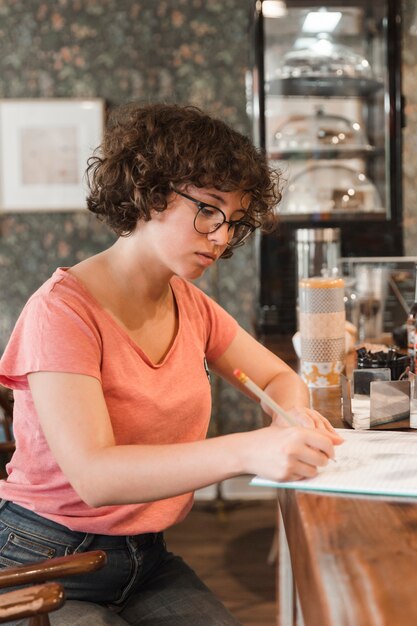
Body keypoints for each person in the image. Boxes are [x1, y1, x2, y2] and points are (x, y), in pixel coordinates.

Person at [0, 103, 343, 625]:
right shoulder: (62, 311)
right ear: (149, 192)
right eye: (208, 209)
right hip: (44, 560)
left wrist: (289, 416)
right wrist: (250, 450)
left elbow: (280, 377)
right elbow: (96, 476)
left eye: (232, 221)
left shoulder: (189, 302)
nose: (222, 236)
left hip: (145, 557)